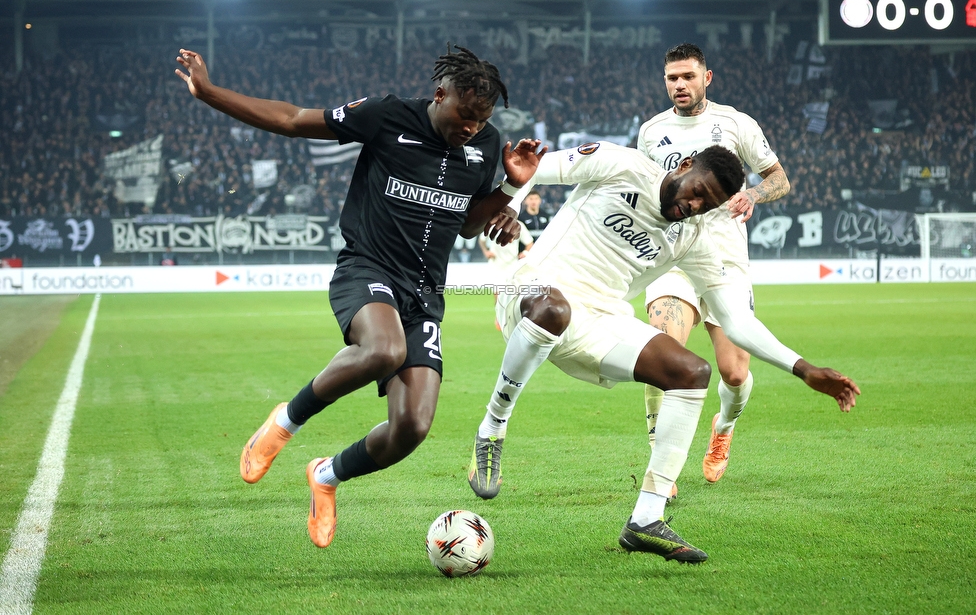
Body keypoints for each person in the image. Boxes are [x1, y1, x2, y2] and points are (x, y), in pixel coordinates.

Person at [176, 44, 545, 548]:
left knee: (412, 426)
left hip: (423, 295)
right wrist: (210, 92)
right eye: (465, 116)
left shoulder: (486, 144)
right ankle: (285, 422)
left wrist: (508, 193)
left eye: (481, 121)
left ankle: (325, 477)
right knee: (383, 350)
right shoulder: (387, 115)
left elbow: (467, 225)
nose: (472, 129)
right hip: (366, 269)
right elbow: (289, 119)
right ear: (440, 94)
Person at [465, 141, 858, 563]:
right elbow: (533, 169)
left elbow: (736, 320)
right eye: (697, 192)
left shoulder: (693, 236)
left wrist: (803, 368)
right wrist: (512, 204)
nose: (694, 205)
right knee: (554, 308)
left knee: (692, 372)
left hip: (599, 319)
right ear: (685, 165)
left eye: (707, 205)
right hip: (531, 294)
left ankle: (646, 519)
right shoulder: (622, 166)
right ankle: (492, 429)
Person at [637, 43, 792, 488]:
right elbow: (650, 190)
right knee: (662, 351)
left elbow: (778, 176)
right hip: (673, 258)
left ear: (708, 78)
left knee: (735, 372)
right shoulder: (651, 131)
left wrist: (753, 194)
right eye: (672, 78)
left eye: (687, 76)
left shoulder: (736, 124)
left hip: (725, 259)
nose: (679, 85)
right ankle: (659, 452)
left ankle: (722, 429)